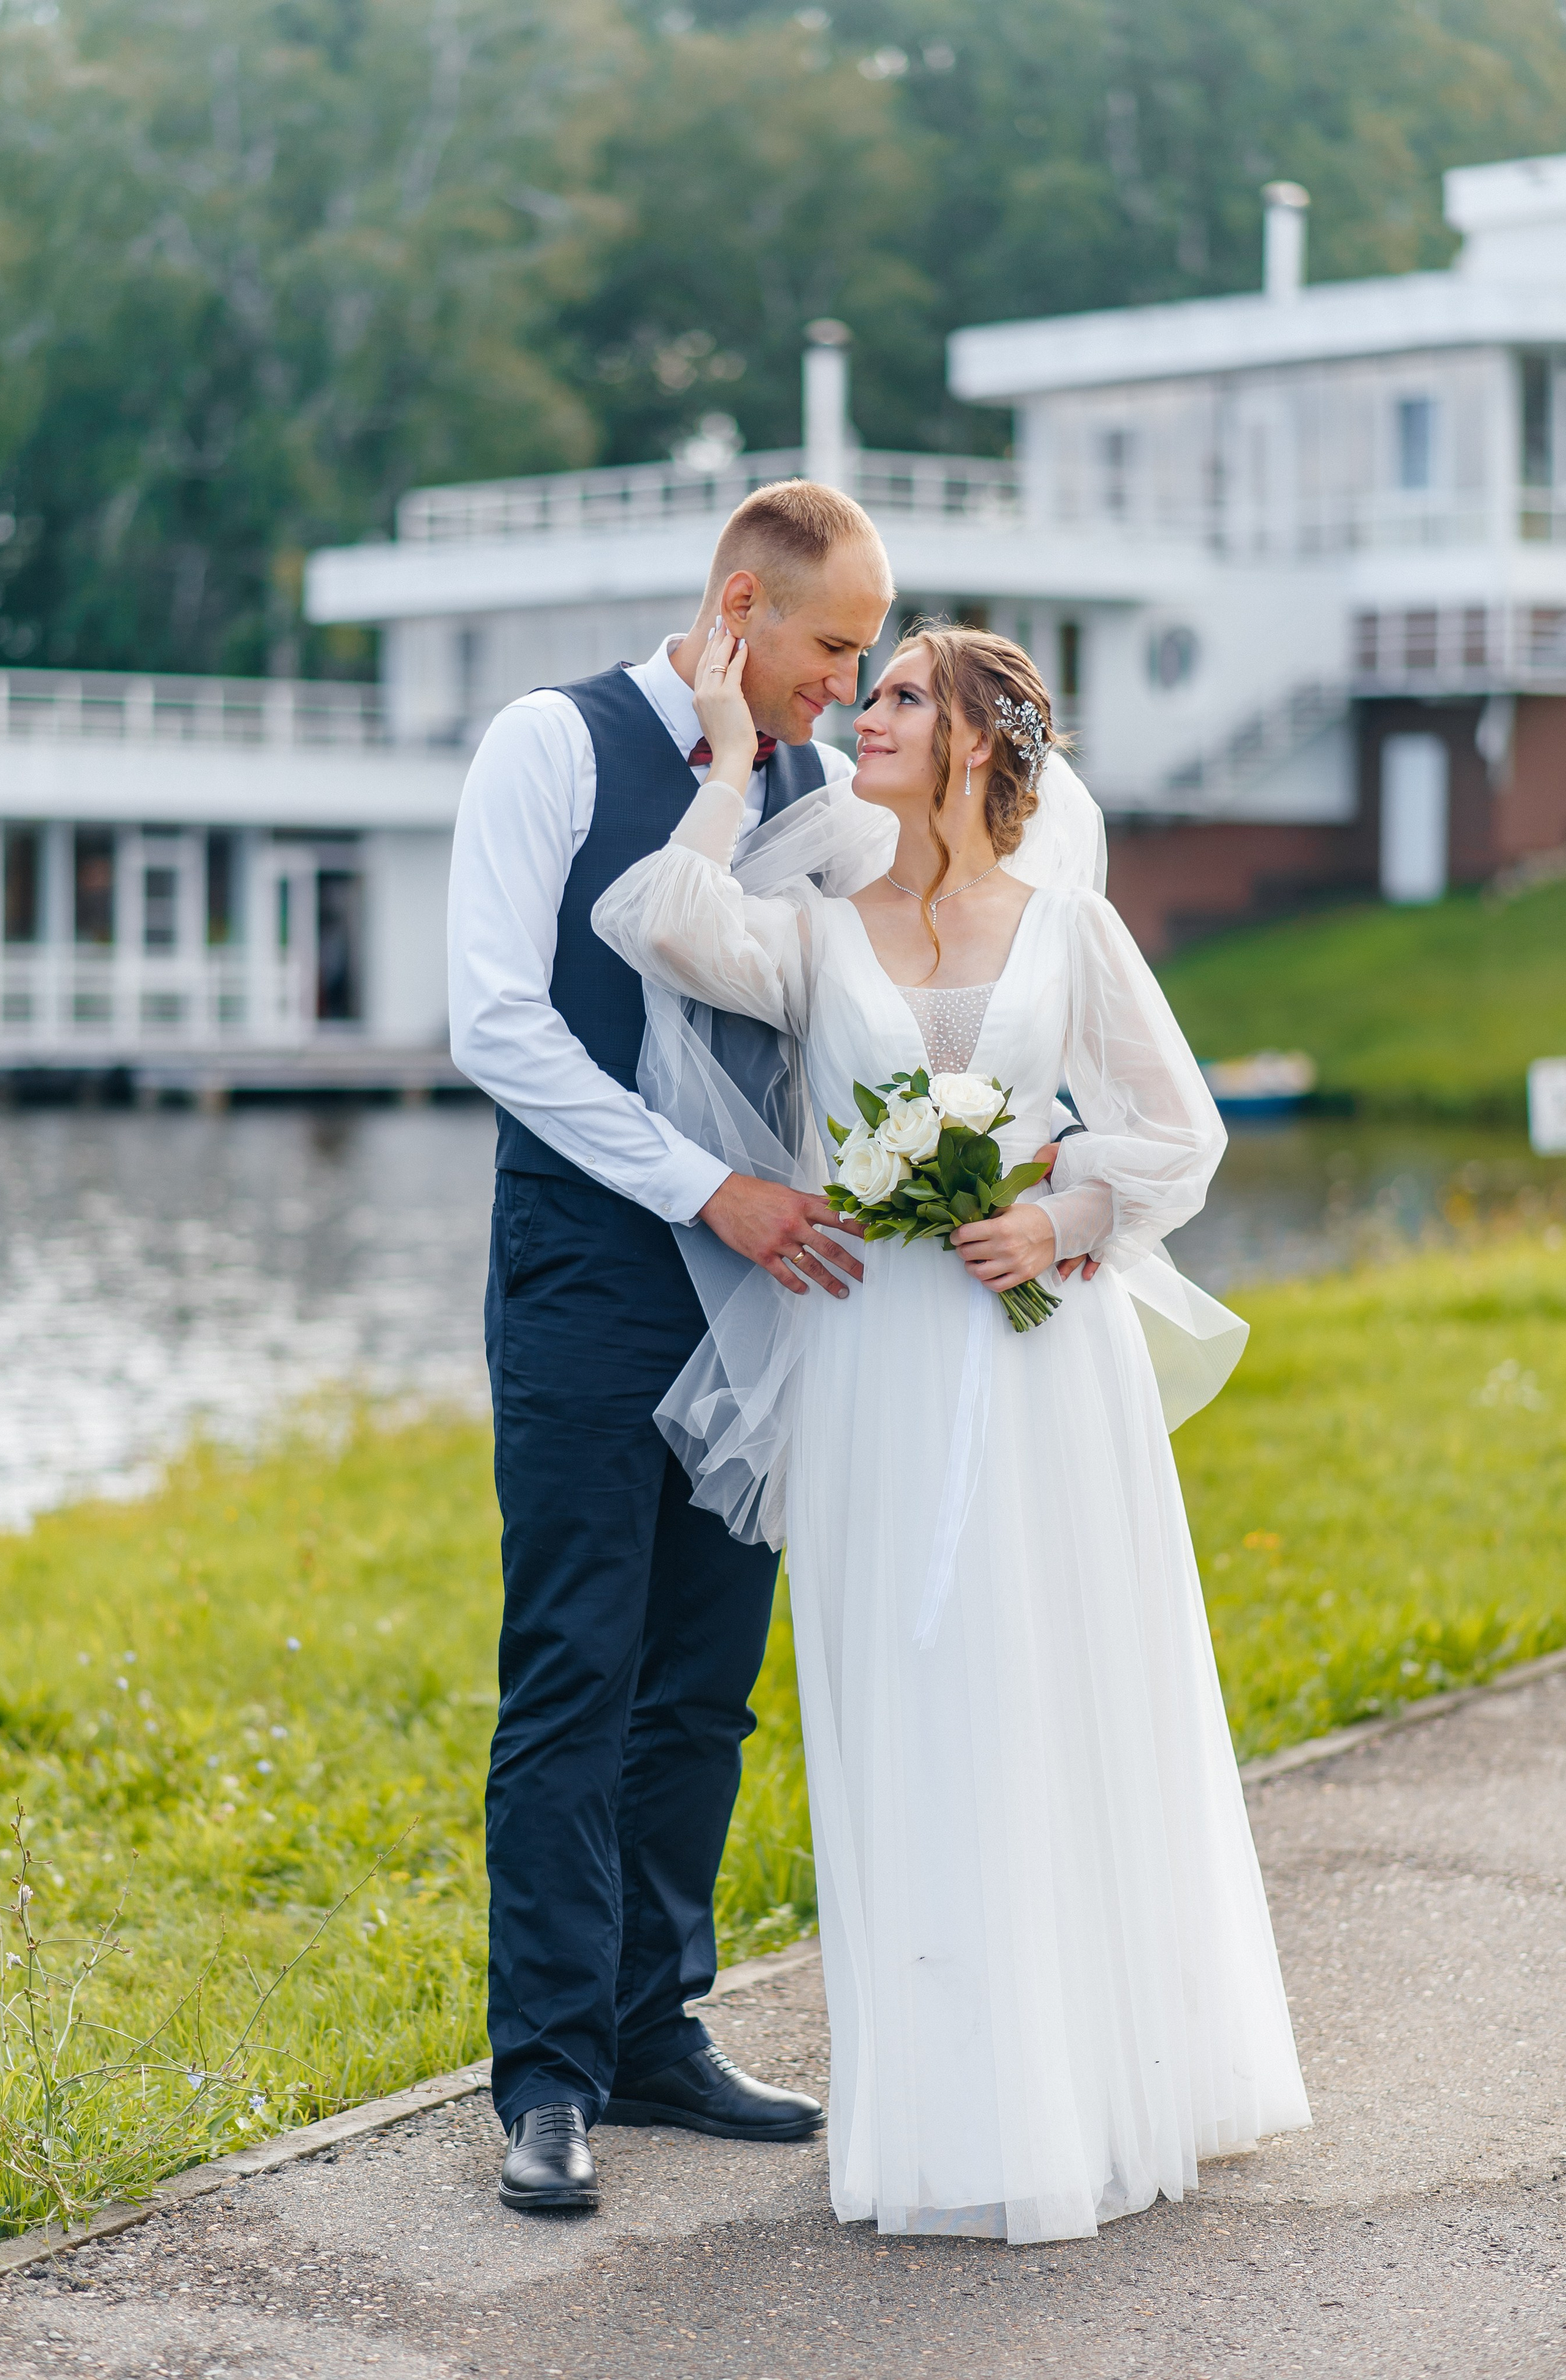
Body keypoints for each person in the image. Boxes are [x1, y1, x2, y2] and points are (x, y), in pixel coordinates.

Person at [592, 621, 1312, 2242]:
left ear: (982, 740)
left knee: (1055, 1683)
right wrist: (727, 760)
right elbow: (657, 918)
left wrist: (1063, 1216)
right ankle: (947, 2111)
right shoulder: (812, 932)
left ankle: (1099, 2083)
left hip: (1042, 1360)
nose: (869, 712)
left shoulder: (1071, 929)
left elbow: (1177, 1132)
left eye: (907, 694)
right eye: (875, 689)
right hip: (877, 1360)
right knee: (908, 1697)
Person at [447, 481, 895, 2212]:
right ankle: (548, 2075)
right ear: (740, 608)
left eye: (867, 656)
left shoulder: (814, 789)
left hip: (767, 1283)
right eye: (832, 646)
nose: (847, 686)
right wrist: (711, 1191)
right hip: (587, 1269)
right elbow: (498, 1020)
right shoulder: (548, 744)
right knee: (576, 1664)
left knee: (706, 1677)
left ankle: (653, 2028)